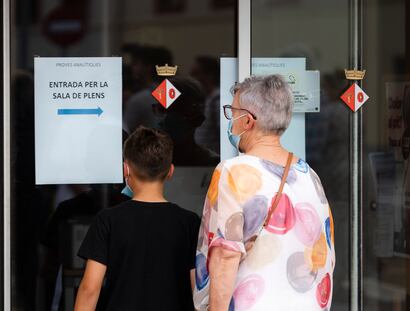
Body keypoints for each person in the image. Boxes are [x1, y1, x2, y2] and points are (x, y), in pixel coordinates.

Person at [193, 75, 335, 311]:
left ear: (248, 121)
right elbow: (327, 252)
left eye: (232, 112)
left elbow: (225, 255)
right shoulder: (310, 175)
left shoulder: (232, 171)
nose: (230, 120)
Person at [74, 126, 200, 311]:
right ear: (170, 171)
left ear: (126, 169)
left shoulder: (107, 220)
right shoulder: (189, 222)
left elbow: (90, 289)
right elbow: (197, 287)